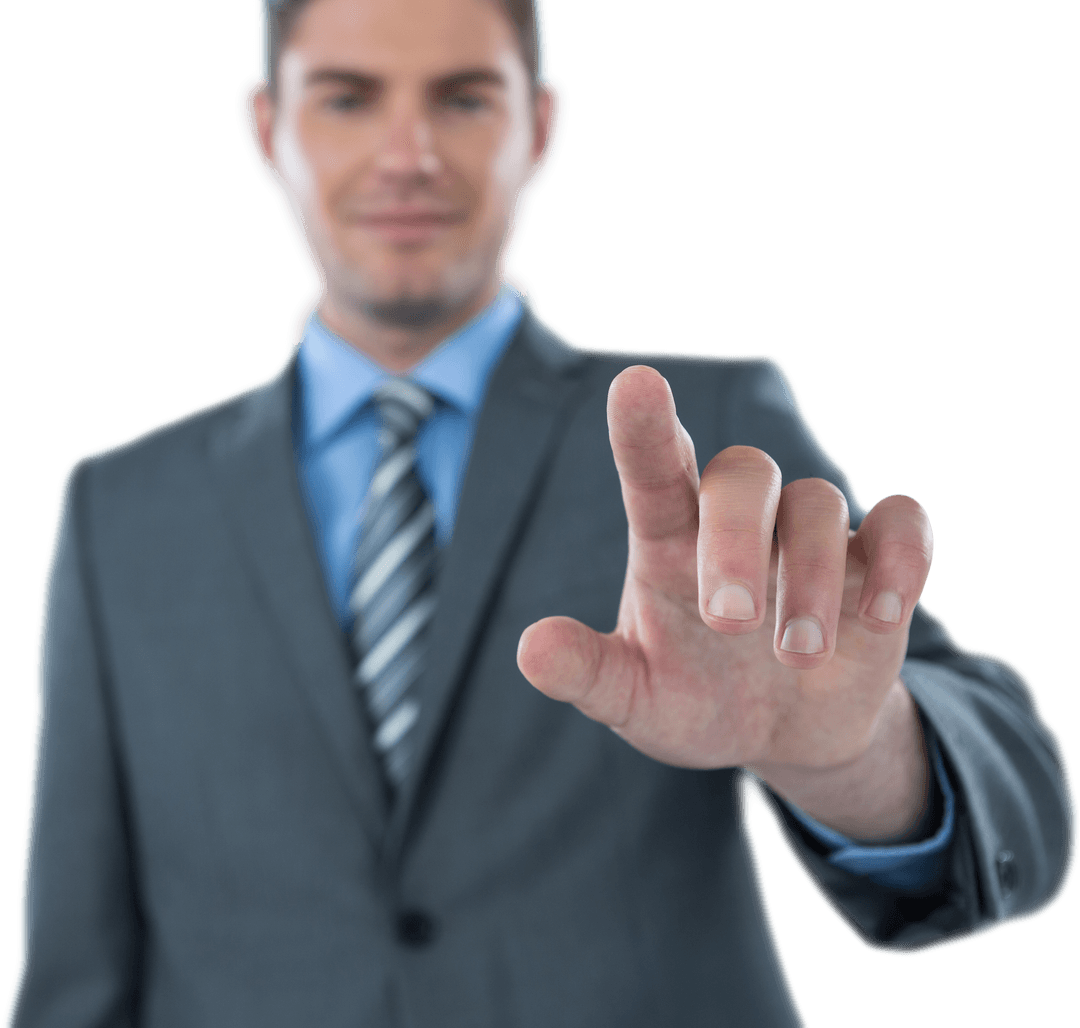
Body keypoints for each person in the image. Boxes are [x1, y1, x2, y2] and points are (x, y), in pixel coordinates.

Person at [4, 1, 1074, 1026]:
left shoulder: (695, 433)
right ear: (266, 127)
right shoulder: (117, 507)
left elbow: (1016, 788)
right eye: (348, 97)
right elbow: (74, 969)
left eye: (465, 97)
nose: (408, 152)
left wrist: (849, 756)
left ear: (542, 126)